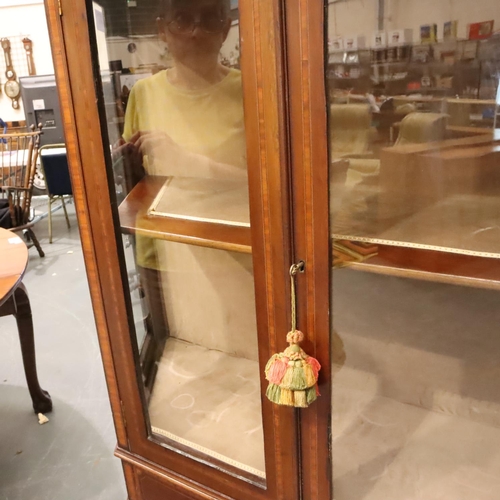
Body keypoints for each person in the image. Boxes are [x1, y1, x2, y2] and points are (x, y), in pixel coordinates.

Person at [116, 0, 254, 360]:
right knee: (177, 358)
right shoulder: (144, 94)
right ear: (163, 29)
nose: (195, 31)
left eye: (209, 20)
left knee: (240, 354)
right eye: (182, 20)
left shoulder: (252, 90)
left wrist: (187, 161)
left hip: (233, 251)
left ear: (226, 29)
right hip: (163, 254)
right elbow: (136, 181)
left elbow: (266, 184)